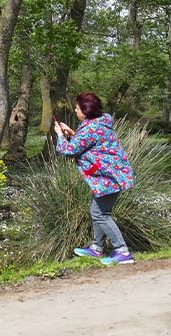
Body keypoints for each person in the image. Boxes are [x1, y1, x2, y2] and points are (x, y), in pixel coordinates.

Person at [52, 92, 135, 265]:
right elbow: (91, 146)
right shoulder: (97, 124)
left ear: (86, 110)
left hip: (109, 178)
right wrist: (72, 133)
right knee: (97, 211)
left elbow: (69, 150)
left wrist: (60, 135)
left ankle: (122, 251)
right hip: (111, 176)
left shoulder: (92, 128)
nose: (75, 110)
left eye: (77, 107)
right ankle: (97, 248)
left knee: (100, 214)